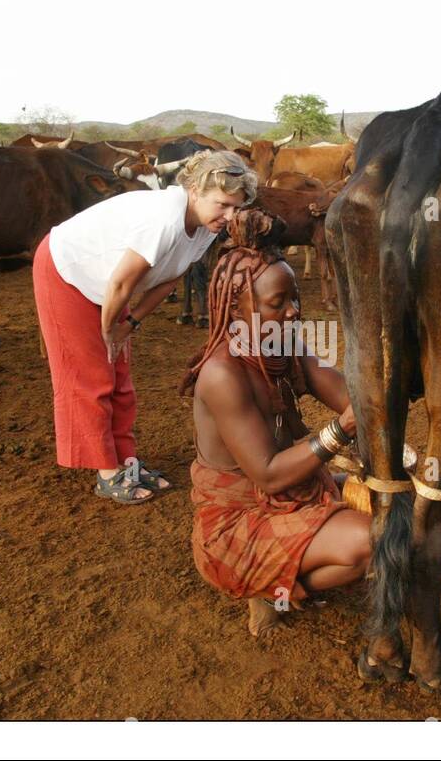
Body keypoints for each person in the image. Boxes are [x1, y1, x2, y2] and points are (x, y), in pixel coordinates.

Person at [179, 209, 374, 637]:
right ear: (235, 307)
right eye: (277, 303)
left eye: (295, 298)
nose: (293, 312)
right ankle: (268, 590)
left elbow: (350, 397)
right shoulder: (221, 374)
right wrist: (342, 430)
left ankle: (288, 569)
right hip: (238, 525)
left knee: (389, 503)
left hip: (294, 492)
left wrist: (378, 386)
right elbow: (267, 474)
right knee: (370, 543)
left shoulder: (283, 344)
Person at [33, 149, 256, 504]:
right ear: (195, 190)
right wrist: (109, 331)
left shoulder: (205, 226)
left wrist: (129, 325)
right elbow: (122, 284)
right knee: (92, 375)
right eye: (223, 205)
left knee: (120, 376)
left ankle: (127, 460)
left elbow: (170, 279)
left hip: (108, 287)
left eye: (236, 208)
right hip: (68, 272)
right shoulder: (163, 221)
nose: (230, 216)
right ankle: (106, 471)